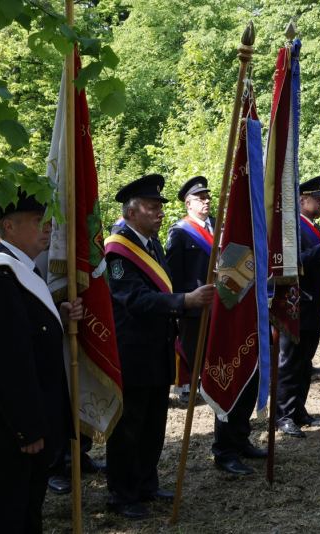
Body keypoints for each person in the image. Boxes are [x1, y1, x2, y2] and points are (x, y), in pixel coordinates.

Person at [0, 190, 81, 533]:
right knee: (7, 516)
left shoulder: (20, 271)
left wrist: (57, 316)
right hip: (8, 430)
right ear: (8, 226)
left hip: (20, 424)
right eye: (38, 221)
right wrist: (27, 428)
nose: (49, 227)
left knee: (26, 512)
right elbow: (5, 362)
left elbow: (27, 334)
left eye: (48, 220)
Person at [105, 174, 214, 519]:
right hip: (133, 351)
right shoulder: (118, 250)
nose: (160, 212)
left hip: (157, 348)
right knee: (129, 426)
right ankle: (122, 494)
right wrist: (184, 301)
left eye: (160, 207)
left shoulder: (151, 244)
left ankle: (145, 484)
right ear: (131, 212)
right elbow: (134, 299)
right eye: (152, 207)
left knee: (153, 424)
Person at [276, 175, 320, 437]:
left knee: (305, 362)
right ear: (302, 200)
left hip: (313, 305)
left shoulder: (312, 227)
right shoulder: (292, 227)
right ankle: (283, 414)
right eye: (317, 199)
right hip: (296, 305)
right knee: (290, 363)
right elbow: (293, 261)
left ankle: (298, 409)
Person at [166, 175, 214, 403]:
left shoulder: (218, 225)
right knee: (192, 348)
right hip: (194, 302)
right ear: (188, 203)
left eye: (207, 197)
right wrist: (181, 303)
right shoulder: (180, 231)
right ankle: (189, 387)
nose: (206, 201)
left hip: (218, 300)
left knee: (213, 347)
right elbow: (174, 272)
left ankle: (210, 385)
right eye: (200, 198)